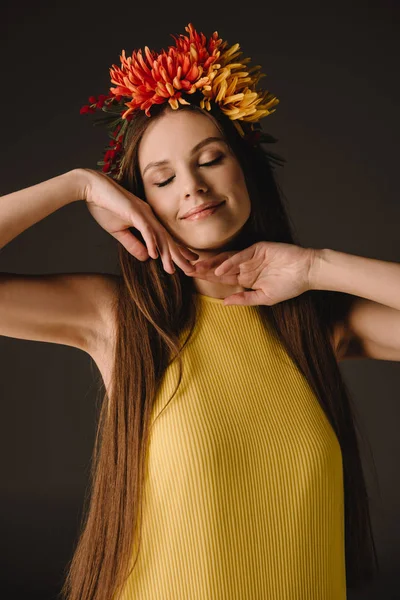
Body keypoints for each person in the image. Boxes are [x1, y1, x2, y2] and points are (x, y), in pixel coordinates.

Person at [5, 21, 399, 600]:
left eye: (210, 159)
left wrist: (317, 267)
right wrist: (77, 186)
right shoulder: (119, 315)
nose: (191, 187)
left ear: (246, 170)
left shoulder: (319, 325)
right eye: (162, 179)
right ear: (140, 203)